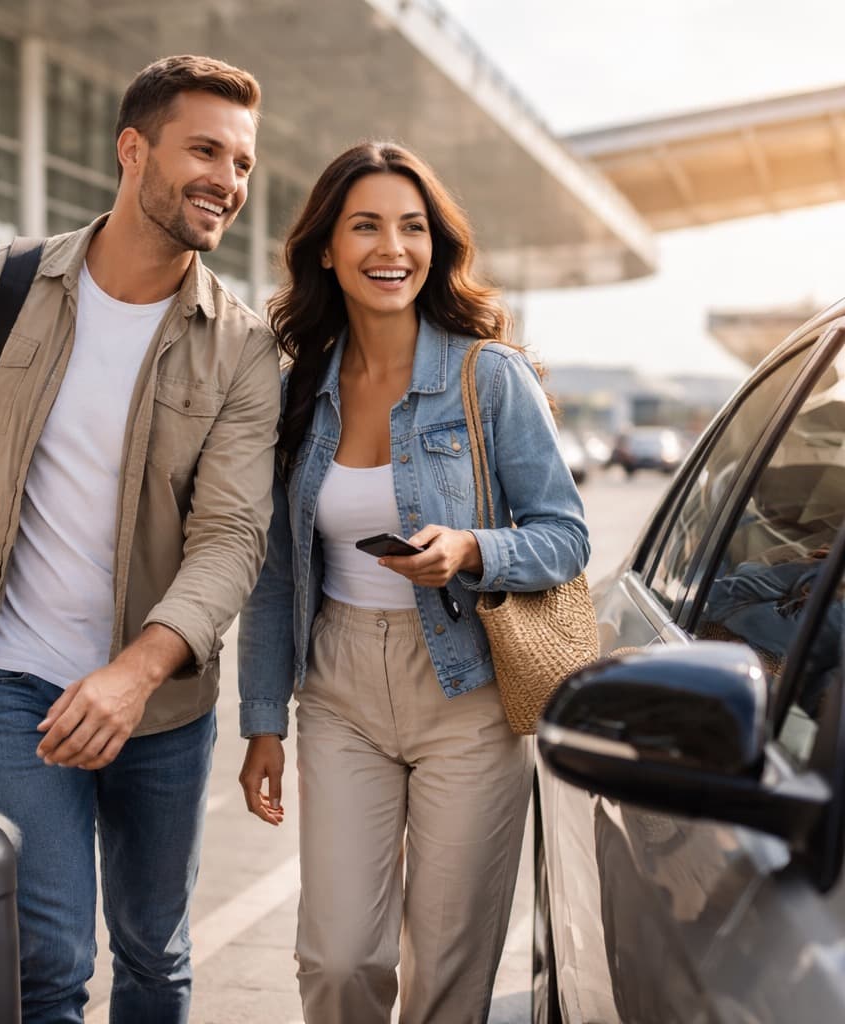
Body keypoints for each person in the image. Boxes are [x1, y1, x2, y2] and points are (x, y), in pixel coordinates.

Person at [0, 55, 280, 1024]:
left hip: (163, 702)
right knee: (47, 958)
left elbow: (230, 537)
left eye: (242, 163)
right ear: (133, 150)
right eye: (204, 150)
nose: (227, 180)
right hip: (18, 675)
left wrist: (134, 674)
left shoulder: (244, 348)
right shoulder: (3, 283)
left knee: (154, 951)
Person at [236, 140, 591, 1024]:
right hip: (341, 688)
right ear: (327, 249)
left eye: (412, 227)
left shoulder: (489, 375)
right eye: (365, 227)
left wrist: (472, 549)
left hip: (468, 692)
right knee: (338, 960)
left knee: (447, 969)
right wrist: (262, 720)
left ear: (437, 245)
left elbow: (567, 536)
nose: (392, 248)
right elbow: (276, 574)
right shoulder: (297, 392)